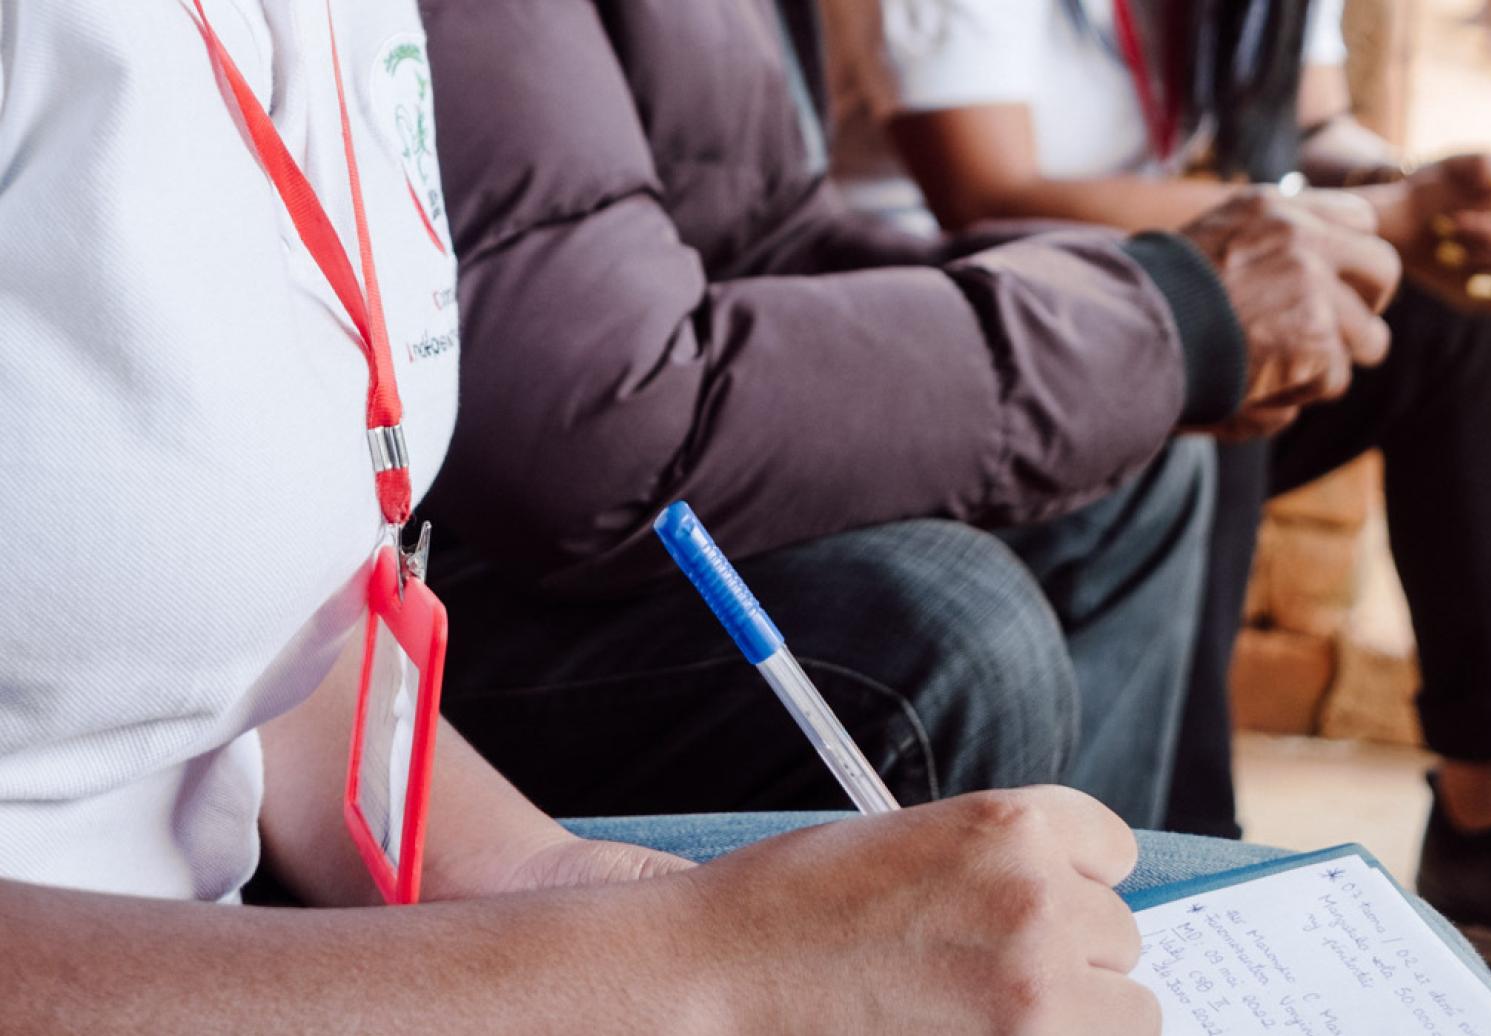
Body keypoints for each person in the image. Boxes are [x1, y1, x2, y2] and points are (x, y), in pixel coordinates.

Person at [0, 2, 1413, 1032]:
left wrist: (549, 875)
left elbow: (284, 596)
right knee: (943, 631)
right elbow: (604, 402)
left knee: (1224, 928)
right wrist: (685, 967)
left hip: (246, 908)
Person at [412, 0, 1399, 842]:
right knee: (947, 628)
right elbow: (599, 417)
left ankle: (1122, 936)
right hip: (398, 589)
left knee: (1139, 460)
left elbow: (771, 235)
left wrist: (1132, 326)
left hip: (579, 455)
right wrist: (1152, 321)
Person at [820, 0, 1491, 1011]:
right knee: (1221, 331)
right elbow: (981, 187)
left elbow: (1315, 136)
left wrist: (1433, 214)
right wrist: (1367, 222)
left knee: (1456, 306)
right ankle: (1188, 864)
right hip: (955, 347)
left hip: (1154, 296)